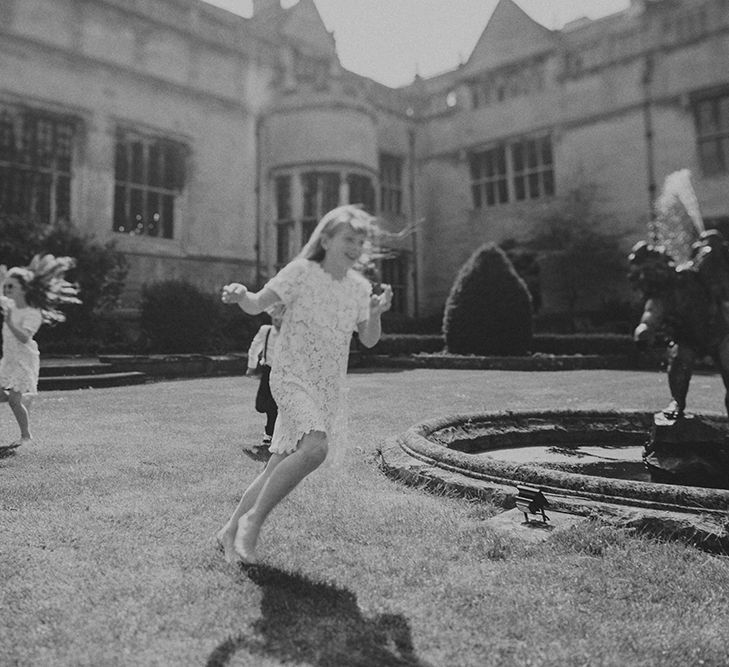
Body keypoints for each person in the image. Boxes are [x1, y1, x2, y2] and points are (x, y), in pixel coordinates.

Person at [216, 204, 393, 564]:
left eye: (361, 241)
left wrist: (374, 314)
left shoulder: (359, 288)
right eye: (349, 238)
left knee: (274, 465)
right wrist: (240, 294)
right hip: (291, 377)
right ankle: (252, 523)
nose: (356, 246)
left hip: (327, 388)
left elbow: (370, 340)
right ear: (326, 239)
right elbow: (256, 304)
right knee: (315, 449)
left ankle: (228, 530)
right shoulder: (300, 272)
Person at [0, 255, 80, 449]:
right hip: (9, 358)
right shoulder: (8, 304)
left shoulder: (33, 312)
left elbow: (24, 338)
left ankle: (26, 436)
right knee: (6, 397)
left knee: (12, 400)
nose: (7, 290)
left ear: (23, 289)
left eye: (11, 286)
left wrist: (10, 321)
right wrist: (2, 276)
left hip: (24, 359)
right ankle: (27, 399)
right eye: (6, 286)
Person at [246, 303, 285, 454]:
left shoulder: (292, 334)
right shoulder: (265, 331)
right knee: (261, 405)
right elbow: (255, 347)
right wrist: (251, 365)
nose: (277, 320)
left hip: (284, 373)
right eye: (274, 317)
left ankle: (270, 435)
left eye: (280, 318)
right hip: (268, 370)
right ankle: (272, 432)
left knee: (273, 406)